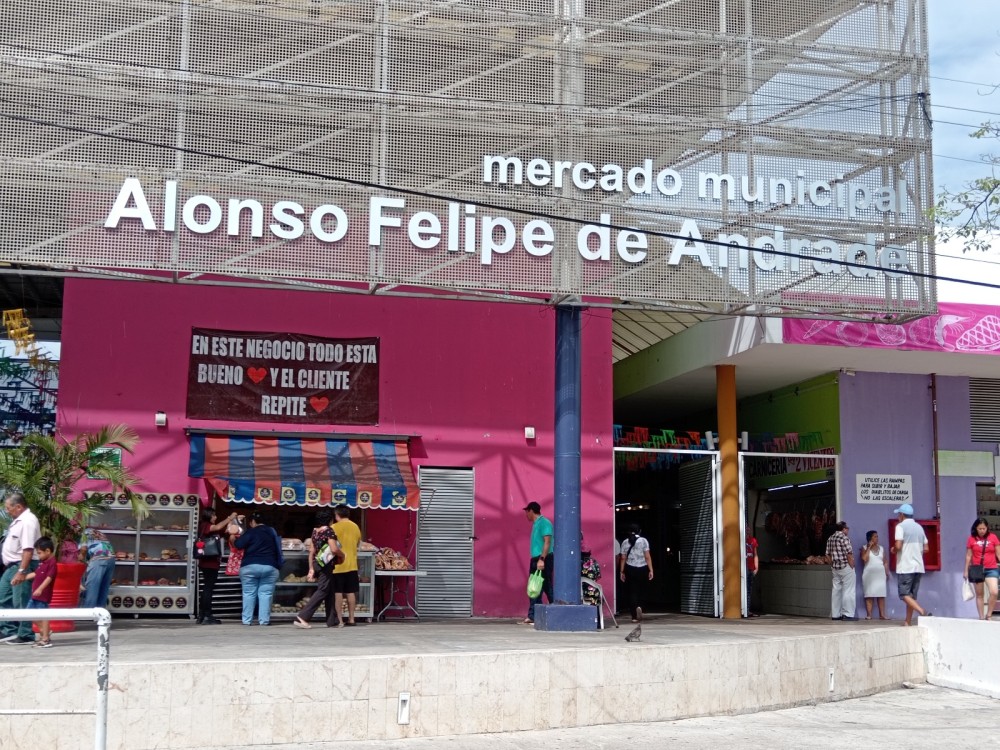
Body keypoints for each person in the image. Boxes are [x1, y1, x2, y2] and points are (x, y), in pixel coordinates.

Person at [1, 491, 41, 645]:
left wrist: (22, 571)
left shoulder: (28, 521)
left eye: (8, 508)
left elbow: (28, 549)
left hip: (21, 565)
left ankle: (26, 634)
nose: (7, 511)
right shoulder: (18, 520)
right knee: (3, 596)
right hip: (12, 566)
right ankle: (8, 630)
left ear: (18, 507)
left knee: (21, 600)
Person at [231, 511, 283, 626]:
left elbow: (238, 545)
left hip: (250, 566)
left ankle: (247, 620)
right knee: (266, 594)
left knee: (249, 593)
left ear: (253, 522)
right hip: (270, 566)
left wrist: (232, 537)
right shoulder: (272, 532)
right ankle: (264, 621)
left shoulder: (250, 532)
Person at [294, 508, 342, 628]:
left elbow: (311, 551)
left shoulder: (315, 531)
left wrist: (311, 568)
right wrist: (343, 554)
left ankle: (333, 620)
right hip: (326, 565)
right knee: (323, 590)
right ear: (330, 520)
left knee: (330, 590)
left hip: (317, 563)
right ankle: (303, 616)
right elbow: (334, 549)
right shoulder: (329, 531)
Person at [197, 508, 237, 624]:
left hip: (207, 562)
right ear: (209, 516)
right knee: (208, 589)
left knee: (207, 588)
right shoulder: (206, 525)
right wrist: (230, 517)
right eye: (214, 515)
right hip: (209, 562)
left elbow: (220, 530)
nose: (215, 517)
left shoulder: (206, 526)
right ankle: (207, 616)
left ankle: (202, 615)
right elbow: (218, 527)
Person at [893, 503, 930, 626]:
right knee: (912, 596)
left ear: (902, 515)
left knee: (904, 594)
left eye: (899, 514)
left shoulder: (900, 526)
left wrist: (893, 549)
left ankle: (921, 611)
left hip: (906, 566)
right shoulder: (919, 527)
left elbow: (898, 546)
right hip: (918, 566)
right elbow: (926, 548)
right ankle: (907, 621)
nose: (898, 516)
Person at [521, 501, 553, 625]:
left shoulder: (544, 523)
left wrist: (542, 559)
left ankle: (534, 615)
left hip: (543, 559)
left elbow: (547, 542)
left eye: (526, 512)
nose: (526, 515)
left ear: (531, 511)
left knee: (543, 586)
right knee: (537, 587)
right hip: (536, 559)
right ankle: (535, 615)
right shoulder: (536, 524)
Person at [332, 506, 363, 626]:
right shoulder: (355, 526)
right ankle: (351, 619)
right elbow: (358, 543)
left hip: (338, 565)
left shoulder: (334, 527)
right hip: (352, 565)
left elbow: (332, 545)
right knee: (351, 592)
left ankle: (339, 620)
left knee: (338, 592)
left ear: (337, 515)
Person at [964, 518, 1000, 620]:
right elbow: (968, 556)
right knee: (980, 595)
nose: (982, 531)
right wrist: (966, 570)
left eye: (984, 528)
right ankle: (981, 617)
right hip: (977, 569)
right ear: (976, 528)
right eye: (980, 528)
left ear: (987, 528)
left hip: (992, 568)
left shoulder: (993, 537)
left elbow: (998, 553)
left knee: (994, 592)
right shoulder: (971, 539)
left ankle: (989, 614)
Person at [25, 536, 57, 648]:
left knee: (43, 615)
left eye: (39, 553)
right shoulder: (42, 562)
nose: (38, 555)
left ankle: (45, 638)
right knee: (28, 614)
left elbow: (49, 578)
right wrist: (23, 577)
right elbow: (36, 573)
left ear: (48, 551)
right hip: (35, 594)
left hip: (42, 595)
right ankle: (45, 631)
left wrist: (40, 589)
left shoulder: (52, 562)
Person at [619, 524, 653, 623]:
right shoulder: (644, 541)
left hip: (630, 568)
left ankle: (634, 616)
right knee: (642, 589)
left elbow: (623, 558)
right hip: (642, 568)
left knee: (632, 592)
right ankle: (640, 606)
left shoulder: (625, 542)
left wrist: (621, 571)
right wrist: (651, 570)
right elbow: (647, 556)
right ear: (639, 531)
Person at [825, 521, 856, 621]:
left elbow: (827, 554)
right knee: (848, 590)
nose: (848, 530)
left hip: (835, 568)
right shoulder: (844, 538)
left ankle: (835, 614)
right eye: (847, 528)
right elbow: (849, 553)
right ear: (843, 529)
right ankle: (847, 614)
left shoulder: (830, 538)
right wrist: (851, 566)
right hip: (845, 566)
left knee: (836, 591)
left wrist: (832, 565)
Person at [78, 525, 115, 609]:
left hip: (98, 558)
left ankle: (88, 613)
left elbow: (83, 549)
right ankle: (100, 612)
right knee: (103, 588)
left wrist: (79, 560)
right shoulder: (95, 531)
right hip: (111, 558)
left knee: (92, 587)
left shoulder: (83, 534)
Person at [860, 530, 890, 620]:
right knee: (869, 594)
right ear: (870, 538)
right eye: (875, 536)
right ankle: (869, 615)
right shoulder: (864, 547)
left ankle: (882, 615)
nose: (877, 538)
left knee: (881, 595)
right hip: (869, 574)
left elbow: (885, 561)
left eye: (877, 536)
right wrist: (869, 547)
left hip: (880, 574)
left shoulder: (881, 548)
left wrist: (886, 572)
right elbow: (864, 559)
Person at [745, 528, 760, 617]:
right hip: (744, 567)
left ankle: (747, 609)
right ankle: (744, 609)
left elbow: (755, 554)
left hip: (751, 567)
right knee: (745, 588)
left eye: (748, 530)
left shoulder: (752, 540)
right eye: (746, 530)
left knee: (749, 589)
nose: (747, 532)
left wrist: (756, 567)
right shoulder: (740, 539)